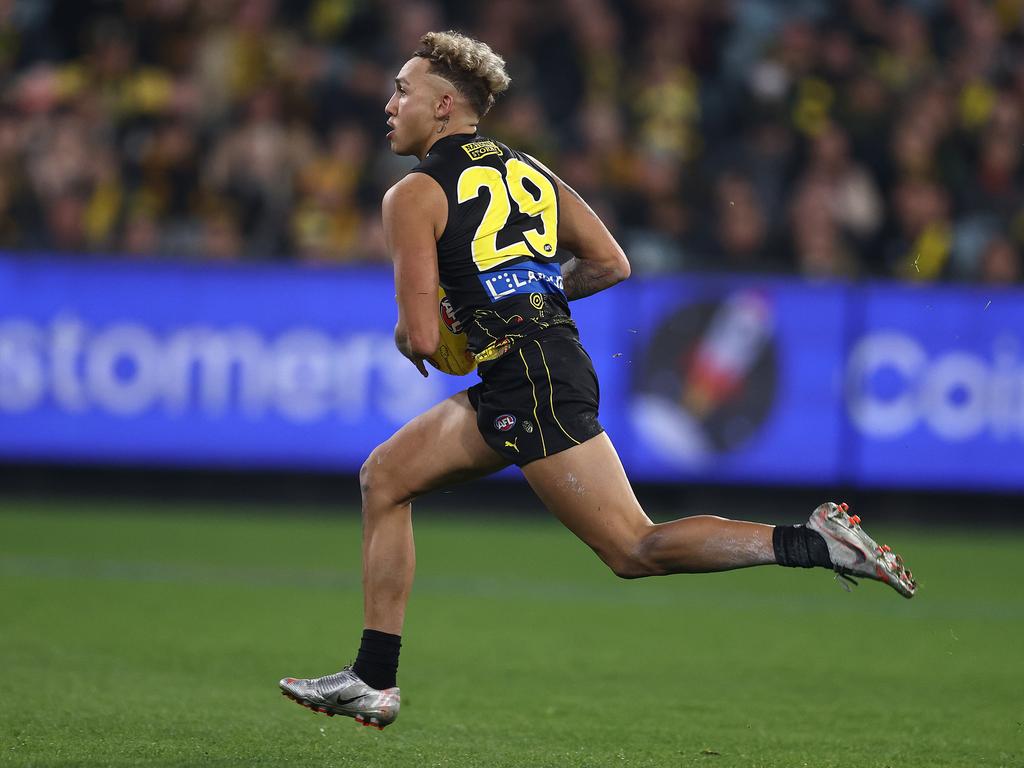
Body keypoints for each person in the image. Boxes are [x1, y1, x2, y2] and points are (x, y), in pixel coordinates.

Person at [279, 31, 916, 730]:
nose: (389, 103)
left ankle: (813, 541)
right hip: (536, 366)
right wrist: (529, 298)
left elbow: (426, 337)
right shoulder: (529, 169)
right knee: (385, 477)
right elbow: (612, 263)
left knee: (633, 548)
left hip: (530, 377)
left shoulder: (412, 195)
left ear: (443, 105)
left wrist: (418, 331)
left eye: (402, 90)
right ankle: (373, 677)